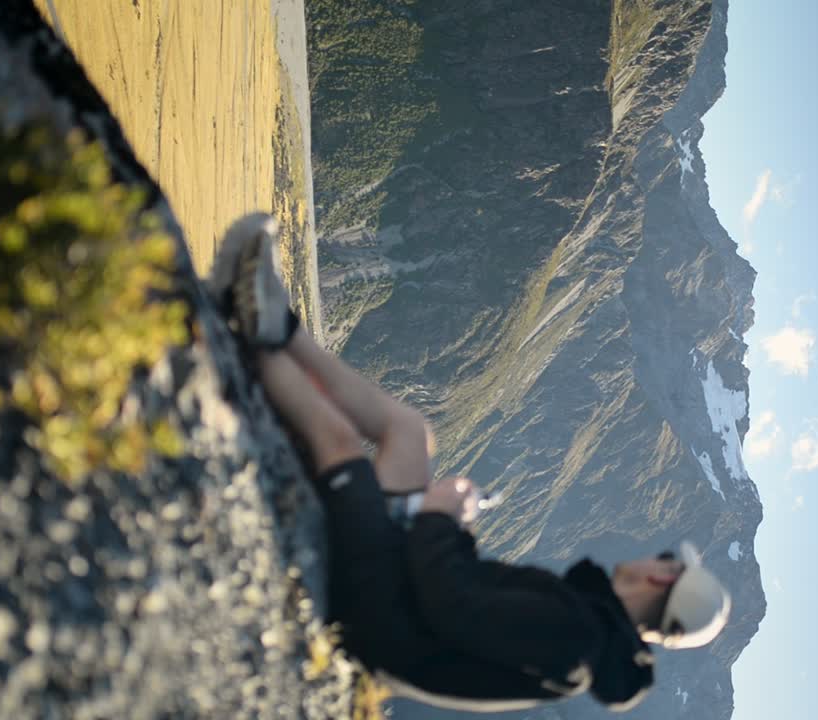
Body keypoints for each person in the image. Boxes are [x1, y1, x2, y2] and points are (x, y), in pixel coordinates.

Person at [204, 213, 732, 713]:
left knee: (340, 443)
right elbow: (470, 604)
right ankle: (278, 326)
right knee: (411, 434)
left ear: (663, 580)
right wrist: (454, 525)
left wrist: (439, 516)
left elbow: (454, 607)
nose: (656, 558)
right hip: (397, 601)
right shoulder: (585, 633)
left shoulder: (577, 636)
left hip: (374, 612)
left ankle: (235, 324)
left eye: (667, 560)